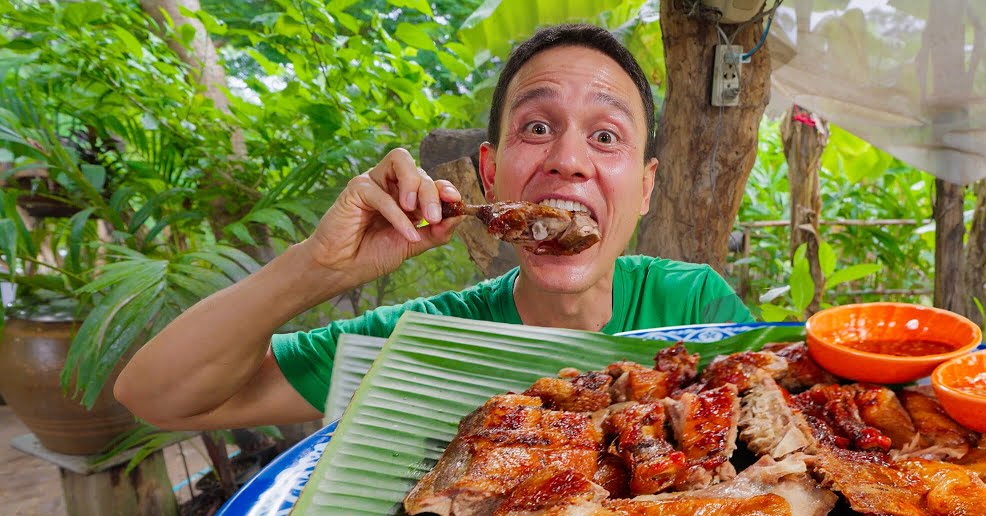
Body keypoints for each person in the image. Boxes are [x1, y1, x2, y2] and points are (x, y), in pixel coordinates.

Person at [115, 23, 753, 430]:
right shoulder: (421, 344)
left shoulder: (693, 303)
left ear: (644, 188)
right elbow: (157, 397)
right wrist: (316, 266)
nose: (567, 159)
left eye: (606, 135)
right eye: (536, 127)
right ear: (490, 171)